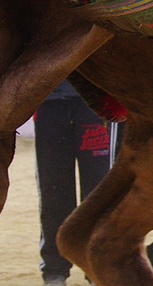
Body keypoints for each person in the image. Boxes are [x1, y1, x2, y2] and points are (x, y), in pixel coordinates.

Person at [34, 82, 112, 286]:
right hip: (49, 98)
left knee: (101, 189)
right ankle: (54, 270)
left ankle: (98, 266)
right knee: (53, 188)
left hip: (96, 99)